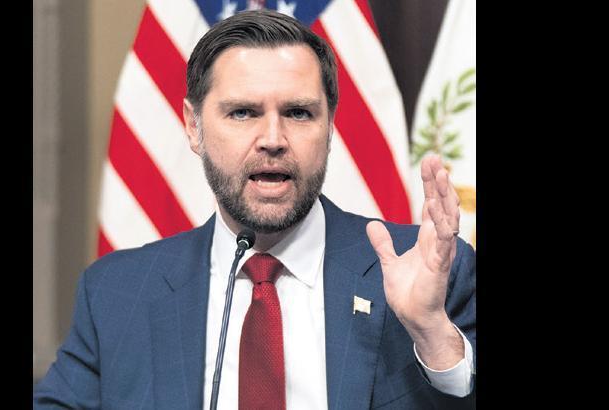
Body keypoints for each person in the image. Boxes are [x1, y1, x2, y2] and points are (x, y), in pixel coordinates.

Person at [34, 9, 475, 409]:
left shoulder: (427, 274)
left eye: (298, 113)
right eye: (243, 113)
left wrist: (431, 333)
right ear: (193, 126)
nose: (273, 139)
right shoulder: (116, 294)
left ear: (329, 127)